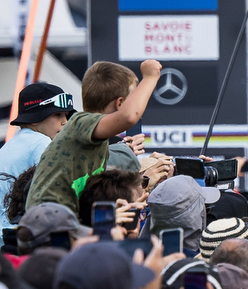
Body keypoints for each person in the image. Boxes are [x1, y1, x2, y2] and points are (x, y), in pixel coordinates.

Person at [26, 59, 162, 214]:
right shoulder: (80, 123)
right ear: (120, 103)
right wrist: (150, 77)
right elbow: (128, 117)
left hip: (63, 220)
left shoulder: (95, 140)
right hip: (46, 221)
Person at [0, 82, 75, 247]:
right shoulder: (40, 142)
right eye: (57, 114)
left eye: (66, 115)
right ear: (35, 119)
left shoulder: (11, 144)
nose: (65, 121)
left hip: (0, 243)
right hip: (19, 242)